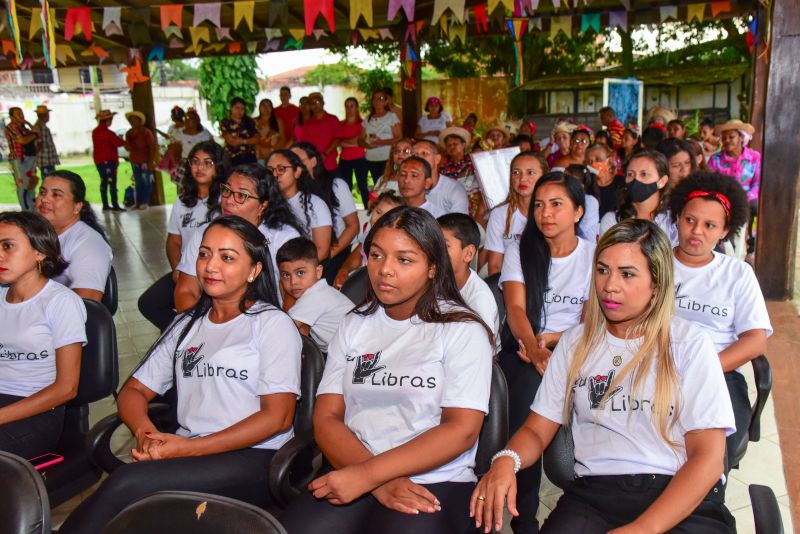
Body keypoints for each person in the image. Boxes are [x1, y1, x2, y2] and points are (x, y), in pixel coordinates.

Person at [472, 219, 737, 534]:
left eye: (627, 274)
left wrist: (643, 528)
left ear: (657, 282)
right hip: (595, 495)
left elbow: (708, 458)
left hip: (679, 494)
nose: (610, 285)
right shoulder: (575, 342)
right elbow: (536, 429)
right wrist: (506, 460)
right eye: (602, 270)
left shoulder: (688, 343)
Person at [59, 215, 302, 534]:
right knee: (127, 502)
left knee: (127, 485)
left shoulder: (271, 324)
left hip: (255, 457)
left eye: (227, 258)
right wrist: (147, 435)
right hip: (192, 450)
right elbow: (133, 391)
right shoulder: (186, 324)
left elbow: (278, 418)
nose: (210, 266)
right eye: (204, 254)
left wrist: (186, 449)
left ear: (254, 270)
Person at [279, 206, 493, 534]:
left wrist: (369, 477)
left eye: (404, 260)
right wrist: (374, 480)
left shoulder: (462, 329)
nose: (385, 270)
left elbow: (461, 430)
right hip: (353, 465)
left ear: (433, 268)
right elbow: (326, 418)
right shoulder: (354, 324)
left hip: (433, 480)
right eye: (376, 255)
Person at [498, 172, 594, 533]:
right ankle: (525, 518)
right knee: (525, 399)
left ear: (578, 212)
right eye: (539, 205)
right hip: (528, 346)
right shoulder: (519, 250)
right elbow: (516, 311)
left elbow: (592, 317)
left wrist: (554, 341)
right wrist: (535, 348)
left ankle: (586, 497)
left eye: (557, 204)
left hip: (578, 345)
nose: (546, 213)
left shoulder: (594, 255)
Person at [670, 172, 771, 466]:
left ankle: (704, 505)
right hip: (656, 368)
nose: (696, 231)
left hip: (718, 374)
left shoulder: (737, 274)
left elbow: (755, 340)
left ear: (725, 231)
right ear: (677, 217)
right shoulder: (653, 263)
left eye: (709, 225)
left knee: (709, 455)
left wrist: (702, 370)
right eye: (690, 220)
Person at [0, 211, 85, 459]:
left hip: (37, 410)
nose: (0, 254)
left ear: (40, 251)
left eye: (8, 246)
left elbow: (66, 388)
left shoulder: (61, 303)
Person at [174, 164, 303, 312]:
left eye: (242, 196)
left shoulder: (284, 237)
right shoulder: (205, 233)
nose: (229, 200)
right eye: (227, 191)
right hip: (216, 317)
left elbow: (293, 296)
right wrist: (200, 328)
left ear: (262, 205)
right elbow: (186, 291)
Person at [138, 141, 230, 331]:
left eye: (208, 163)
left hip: (216, 271)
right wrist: (177, 269)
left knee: (206, 305)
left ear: (218, 167)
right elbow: (173, 240)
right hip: (187, 269)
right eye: (195, 162)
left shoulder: (226, 200)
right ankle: (181, 333)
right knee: (148, 303)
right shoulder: (182, 201)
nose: (200, 167)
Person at [35, 171, 112, 302]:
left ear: (77, 207)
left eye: (56, 195)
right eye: (42, 192)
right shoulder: (31, 234)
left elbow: (87, 303)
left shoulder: (89, 244)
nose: (44, 199)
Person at [291, 142, 358, 283]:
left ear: (313, 161)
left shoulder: (336, 184)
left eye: (299, 161)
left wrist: (328, 254)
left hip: (337, 251)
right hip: (306, 255)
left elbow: (353, 226)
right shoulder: (294, 192)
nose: (294, 166)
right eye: (291, 162)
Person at [277, 237, 353, 352]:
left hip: (358, 353)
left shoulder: (315, 297)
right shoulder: (320, 291)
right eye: (286, 275)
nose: (293, 282)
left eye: (300, 273)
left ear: (318, 272)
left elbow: (281, 332)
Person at [438, 213, 500, 342]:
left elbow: (483, 346)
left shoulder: (478, 297)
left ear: (468, 253)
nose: (435, 251)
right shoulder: (435, 280)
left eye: (445, 246)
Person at [485, 152, 548, 276]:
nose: (522, 178)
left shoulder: (551, 214)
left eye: (530, 172)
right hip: (508, 283)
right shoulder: (499, 214)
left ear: (544, 176)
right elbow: (495, 266)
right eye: (516, 172)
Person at [266, 149, 334, 263]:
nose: (274, 175)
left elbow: (322, 250)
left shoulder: (315, 204)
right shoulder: (264, 203)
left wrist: (293, 270)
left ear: (297, 172)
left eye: (281, 169)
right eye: (270, 170)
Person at [600, 150, 678, 245]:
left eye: (644, 174)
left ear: (661, 181)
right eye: (630, 174)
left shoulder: (673, 221)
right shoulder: (613, 220)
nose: (636, 180)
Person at [707, 119, 761, 254]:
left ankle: (752, 239)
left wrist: (746, 198)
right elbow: (710, 182)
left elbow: (757, 182)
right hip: (724, 197)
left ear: (741, 137)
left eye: (731, 137)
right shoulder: (715, 159)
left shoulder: (754, 157)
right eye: (724, 138)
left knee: (756, 206)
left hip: (748, 197)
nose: (727, 140)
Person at [334, 191, 405, 289]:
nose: (379, 219)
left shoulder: (395, 246)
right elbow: (359, 253)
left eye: (387, 217)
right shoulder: (368, 234)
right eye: (378, 212)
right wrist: (344, 270)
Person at [412, 140, 469, 215]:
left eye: (424, 153)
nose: (418, 158)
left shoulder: (454, 189)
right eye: (414, 155)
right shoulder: (407, 187)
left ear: (437, 159)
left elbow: (459, 225)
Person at [439, 127, 484, 223]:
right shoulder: (443, 168)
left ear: (463, 145)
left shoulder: (474, 160)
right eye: (449, 145)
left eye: (455, 144)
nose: (452, 147)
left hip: (477, 207)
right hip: (453, 207)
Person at [363, 89, 402, 187]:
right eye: (375, 99)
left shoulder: (392, 117)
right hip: (371, 159)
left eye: (380, 99)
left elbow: (399, 137)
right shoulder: (368, 119)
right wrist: (367, 145)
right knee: (378, 184)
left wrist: (382, 142)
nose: (377, 101)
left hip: (387, 158)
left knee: (390, 183)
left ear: (386, 101)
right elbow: (360, 140)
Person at [337, 97, 369, 208]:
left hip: (359, 158)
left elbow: (359, 141)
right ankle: (348, 212)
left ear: (356, 108)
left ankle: (368, 211)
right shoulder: (340, 124)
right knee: (345, 188)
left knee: (363, 186)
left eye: (352, 106)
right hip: (344, 159)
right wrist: (352, 141)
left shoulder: (362, 124)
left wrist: (344, 142)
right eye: (347, 106)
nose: (349, 109)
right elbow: (337, 142)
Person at [296, 92, 340, 173]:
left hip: (330, 163)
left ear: (323, 102)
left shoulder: (333, 119)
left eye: (317, 102)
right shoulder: (308, 123)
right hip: (314, 165)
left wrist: (324, 154)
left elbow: (337, 139)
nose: (315, 105)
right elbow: (305, 145)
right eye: (312, 103)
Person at [91, 109, 126, 212]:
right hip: (109, 161)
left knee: (103, 182)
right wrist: (121, 138)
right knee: (112, 183)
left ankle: (105, 204)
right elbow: (119, 143)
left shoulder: (95, 132)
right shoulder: (108, 133)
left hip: (99, 161)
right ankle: (115, 205)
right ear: (108, 120)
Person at [5, 107, 39, 210]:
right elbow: (22, 141)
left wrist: (28, 123)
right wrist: (34, 135)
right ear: (12, 117)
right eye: (18, 114)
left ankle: (32, 209)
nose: (21, 116)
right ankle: (26, 209)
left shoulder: (24, 129)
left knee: (31, 183)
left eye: (22, 113)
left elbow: (36, 133)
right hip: (19, 160)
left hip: (30, 159)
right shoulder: (11, 127)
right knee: (23, 186)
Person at [125, 111, 158, 210]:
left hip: (145, 160)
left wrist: (151, 161)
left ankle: (144, 202)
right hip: (135, 161)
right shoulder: (129, 133)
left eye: (135, 120)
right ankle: (138, 202)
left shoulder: (146, 132)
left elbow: (152, 147)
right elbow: (128, 148)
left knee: (146, 181)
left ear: (140, 121)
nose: (132, 122)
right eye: (131, 120)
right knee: (138, 182)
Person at [584, 142, 624, 219]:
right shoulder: (587, 187)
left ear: (609, 160)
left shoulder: (622, 182)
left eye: (598, 159)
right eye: (590, 162)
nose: (593, 165)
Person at [370, 138, 413, 205]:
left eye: (406, 151)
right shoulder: (383, 178)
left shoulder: (417, 180)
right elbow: (371, 199)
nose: (400, 153)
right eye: (397, 151)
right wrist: (372, 200)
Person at [564, 163, 600, 242]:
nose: (563, 183)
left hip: (586, 247)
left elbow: (580, 230)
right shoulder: (564, 199)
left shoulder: (591, 202)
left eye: (568, 181)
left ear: (581, 185)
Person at [220, 97, 258, 166]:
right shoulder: (226, 122)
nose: (240, 111)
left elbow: (257, 139)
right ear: (231, 108)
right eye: (237, 108)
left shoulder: (250, 121)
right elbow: (231, 142)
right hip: (232, 157)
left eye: (242, 109)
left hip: (249, 156)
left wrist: (242, 141)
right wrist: (248, 140)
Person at [255, 98, 285, 165]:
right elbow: (250, 139)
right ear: (259, 107)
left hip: (274, 155)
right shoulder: (253, 122)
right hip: (259, 155)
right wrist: (261, 149)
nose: (266, 108)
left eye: (268, 105)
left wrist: (272, 150)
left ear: (272, 108)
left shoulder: (278, 121)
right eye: (263, 105)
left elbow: (283, 139)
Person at [34, 105, 59, 181]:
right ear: (43, 115)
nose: (48, 116)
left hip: (46, 160)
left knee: (49, 180)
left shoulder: (40, 126)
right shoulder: (41, 127)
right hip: (46, 160)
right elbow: (39, 144)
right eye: (47, 114)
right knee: (49, 181)